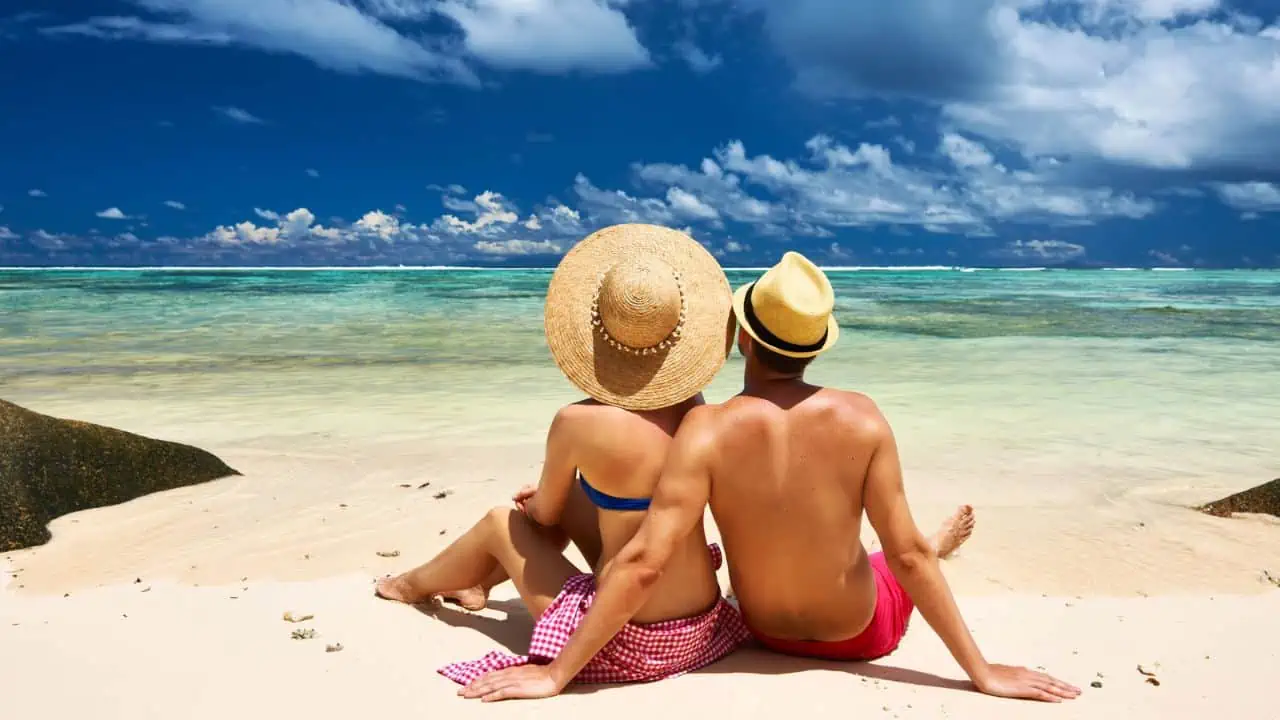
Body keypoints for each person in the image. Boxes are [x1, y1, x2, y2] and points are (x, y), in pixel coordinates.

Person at [457, 251, 1083, 704]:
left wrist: (557, 674)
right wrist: (981, 673)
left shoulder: (705, 429)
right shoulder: (863, 419)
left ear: (742, 341)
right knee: (895, 558)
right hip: (861, 634)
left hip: (759, 631)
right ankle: (940, 543)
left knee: (877, 556)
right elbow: (909, 556)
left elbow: (645, 559)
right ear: (817, 346)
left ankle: (453, 578)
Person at [375, 223, 750, 688]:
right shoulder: (693, 406)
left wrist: (536, 504)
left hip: (630, 638)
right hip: (703, 625)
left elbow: (544, 516)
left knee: (500, 522)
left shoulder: (577, 421)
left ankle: (409, 585)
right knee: (580, 497)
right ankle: (476, 585)